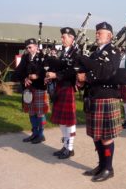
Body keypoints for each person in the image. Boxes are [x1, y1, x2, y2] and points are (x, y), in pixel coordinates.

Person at [76, 22, 122, 182]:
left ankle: (108, 168)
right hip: (94, 96)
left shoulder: (114, 51)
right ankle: (101, 165)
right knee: (96, 136)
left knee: (106, 136)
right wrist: (81, 81)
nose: (97, 35)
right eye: (96, 33)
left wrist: (87, 77)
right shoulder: (95, 53)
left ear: (109, 35)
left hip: (107, 96)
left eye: (100, 33)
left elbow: (107, 71)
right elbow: (89, 70)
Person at [45, 27, 77, 159]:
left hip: (68, 87)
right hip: (59, 87)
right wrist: (49, 74)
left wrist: (55, 74)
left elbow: (71, 72)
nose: (62, 39)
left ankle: (70, 148)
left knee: (69, 121)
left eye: (64, 37)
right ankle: (65, 146)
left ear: (72, 38)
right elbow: (57, 66)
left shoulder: (76, 53)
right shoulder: (62, 52)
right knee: (62, 121)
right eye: (62, 37)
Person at [13, 38, 49, 143]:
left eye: (30, 47)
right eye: (27, 47)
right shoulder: (25, 57)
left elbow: (47, 71)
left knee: (40, 113)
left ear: (36, 47)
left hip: (40, 88)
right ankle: (34, 133)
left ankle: (41, 134)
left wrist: (37, 76)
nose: (29, 49)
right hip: (28, 89)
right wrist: (25, 77)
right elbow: (18, 71)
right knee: (31, 112)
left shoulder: (43, 57)